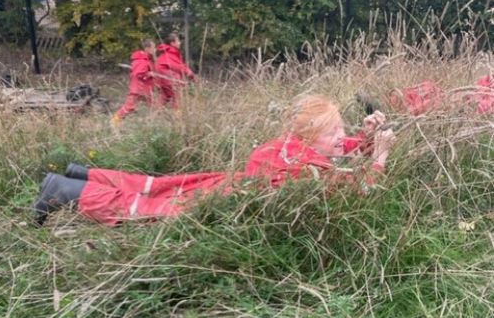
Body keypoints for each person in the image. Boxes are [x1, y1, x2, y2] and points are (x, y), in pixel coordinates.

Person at [33, 95, 396, 226]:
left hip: (224, 185)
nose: (342, 136)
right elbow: (360, 190)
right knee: (145, 211)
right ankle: (64, 191)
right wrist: (379, 157)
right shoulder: (307, 169)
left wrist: (365, 140)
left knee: (156, 187)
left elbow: (333, 150)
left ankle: (84, 176)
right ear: (310, 136)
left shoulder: (292, 145)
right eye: (335, 130)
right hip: (221, 203)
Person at [111, 39, 157, 125]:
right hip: (138, 89)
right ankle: (114, 122)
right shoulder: (142, 61)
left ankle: (153, 124)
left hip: (146, 90)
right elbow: (137, 74)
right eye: (153, 47)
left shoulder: (147, 60)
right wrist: (149, 74)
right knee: (129, 107)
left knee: (155, 106)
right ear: (147, 48)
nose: (155, 50)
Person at [154, 33, 195, 107]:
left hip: (162, 77)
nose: (180, 43)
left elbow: (178, 65)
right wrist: (190, 73)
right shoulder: (171, 53)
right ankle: (177, 112)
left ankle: (155, 111)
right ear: (172, 43)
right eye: (178, 41)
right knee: (177, 96)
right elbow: (178, 66)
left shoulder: (167, 52)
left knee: (165, 96)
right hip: (168, 77)